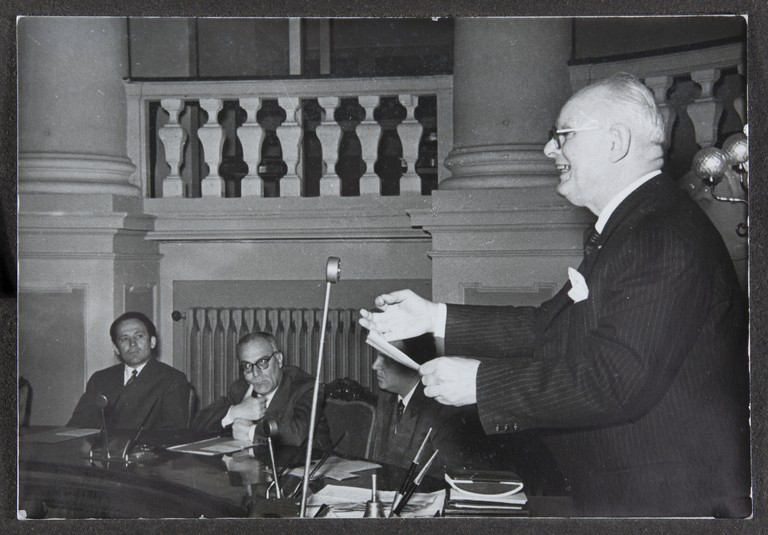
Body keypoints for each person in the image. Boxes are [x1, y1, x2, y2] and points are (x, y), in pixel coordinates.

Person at [359, 73, 750, 517]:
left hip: (670, 503)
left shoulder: (660, 234)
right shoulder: (635, 225)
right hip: (641, 494)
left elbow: (614, 381)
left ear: (615, 142)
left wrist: (480, 383)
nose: (549, 150)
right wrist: (434, 318)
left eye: (562, 136)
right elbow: (548, 326)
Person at [369, 334, 487, 477]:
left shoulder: (444, 409)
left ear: (413, 362)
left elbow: (457, 480)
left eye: (385, 358)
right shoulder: (388, 397)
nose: (375, 365)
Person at [192, 331, 330, 448]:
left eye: (263, 362)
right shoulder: (241, 388)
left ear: (279, 359)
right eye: (247, 366)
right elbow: (197, 424)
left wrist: (251, 432)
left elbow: (298, 435)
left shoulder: (306, 387)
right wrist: (235, 412)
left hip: (303, 472)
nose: (256, 374)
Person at [68, 312, 191, 430]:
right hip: (101, 450)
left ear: (152, 342)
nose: (132, 344)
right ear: (116, 348)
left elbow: (173, 433)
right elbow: (78, 425)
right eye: (124, 338)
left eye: (139, 336)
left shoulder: (172, 379)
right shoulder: (100, 379)